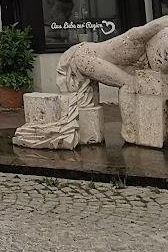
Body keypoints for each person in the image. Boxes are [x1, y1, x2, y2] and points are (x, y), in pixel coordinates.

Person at [12, 14, 168, 150]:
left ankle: (142, 131)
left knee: (137, 83)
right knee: (129, 84)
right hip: (84, 56)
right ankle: (131, 132)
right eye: (162, 58)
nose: (161, 65)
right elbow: (157, 23)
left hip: (88, 55)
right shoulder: (136, 39)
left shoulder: (147, 58)